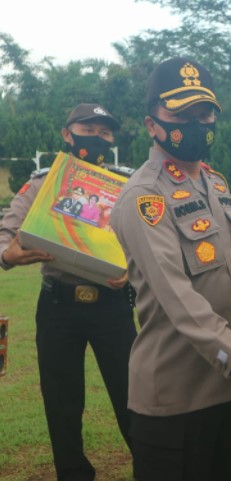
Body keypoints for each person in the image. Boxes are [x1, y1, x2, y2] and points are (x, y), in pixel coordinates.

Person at [110, 57, 231, 481]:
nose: (198, 123)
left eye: (205, 113)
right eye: (181, 114)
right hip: (178, 398)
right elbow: (176, 296)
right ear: (151, 123)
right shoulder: (145, 197)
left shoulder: (215, 184)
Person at [0, 103, 137, 481]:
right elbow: (6, 232)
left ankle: (152, 466)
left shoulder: (127, 185)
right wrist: (8, 254)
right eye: (87, 129)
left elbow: (146, 243)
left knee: (133, 396)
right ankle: (73, 473)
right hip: (58, 305)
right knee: (61, 401)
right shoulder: (44, 182)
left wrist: (133, 272)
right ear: (67, 134)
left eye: (104, 132)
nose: (96, 137)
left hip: (113, 306)